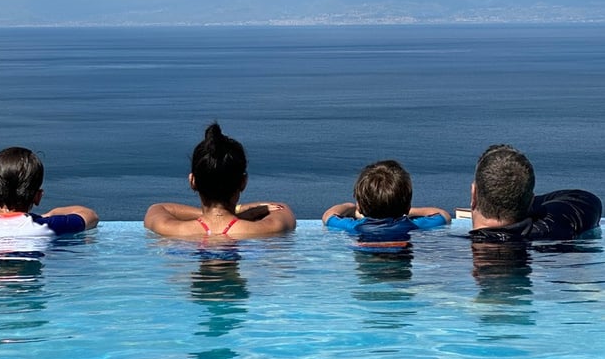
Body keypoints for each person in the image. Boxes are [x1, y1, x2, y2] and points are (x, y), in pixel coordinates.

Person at [144, 122, 296, 239]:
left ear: (193, 181)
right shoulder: (269, 229)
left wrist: (213, 213)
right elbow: (282, 208)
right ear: (243, 182)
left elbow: (157, 208)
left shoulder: (171, 229)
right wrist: (240, 212)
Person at [469, 144, 602, 242]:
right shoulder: (548, 230)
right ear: (530, 201)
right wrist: (520, 200)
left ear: (474, 195)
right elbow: (586, 200)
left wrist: (446, 218)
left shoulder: (455, 252)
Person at [322, 159, 451, 243]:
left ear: (360, 206)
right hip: (400, 277)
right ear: (407, 206)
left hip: (367, 279)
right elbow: (444, 216)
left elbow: (328, 216)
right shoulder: (413, 226)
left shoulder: (354, 227)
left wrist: (351, 208)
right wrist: (409, 211)